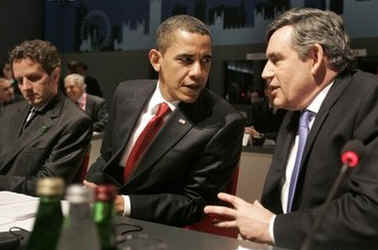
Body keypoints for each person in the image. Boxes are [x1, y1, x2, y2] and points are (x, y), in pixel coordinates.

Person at [204, 8, 378, 250]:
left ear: (315, 58)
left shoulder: (371, 99)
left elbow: (370, 211)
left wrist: (273, 228)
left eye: (276, 59)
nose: (265, 72)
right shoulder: (296, 112)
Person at [84, 15, 244, 227]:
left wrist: (124, 204)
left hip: (160, 230)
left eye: (205, 61)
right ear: (156, 60)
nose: (198, 72)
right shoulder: (126, 93)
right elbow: (107, 158)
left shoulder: (224, 122)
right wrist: (88, 189)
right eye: (186, 60)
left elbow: (195, 203)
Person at [0, 40, 92, 195]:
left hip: (30, 210)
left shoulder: (74, 121)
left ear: (55, 75)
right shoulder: (9, 111)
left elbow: (48, 184)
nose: (25, 87)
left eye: (34, 78)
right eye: (19, 81)